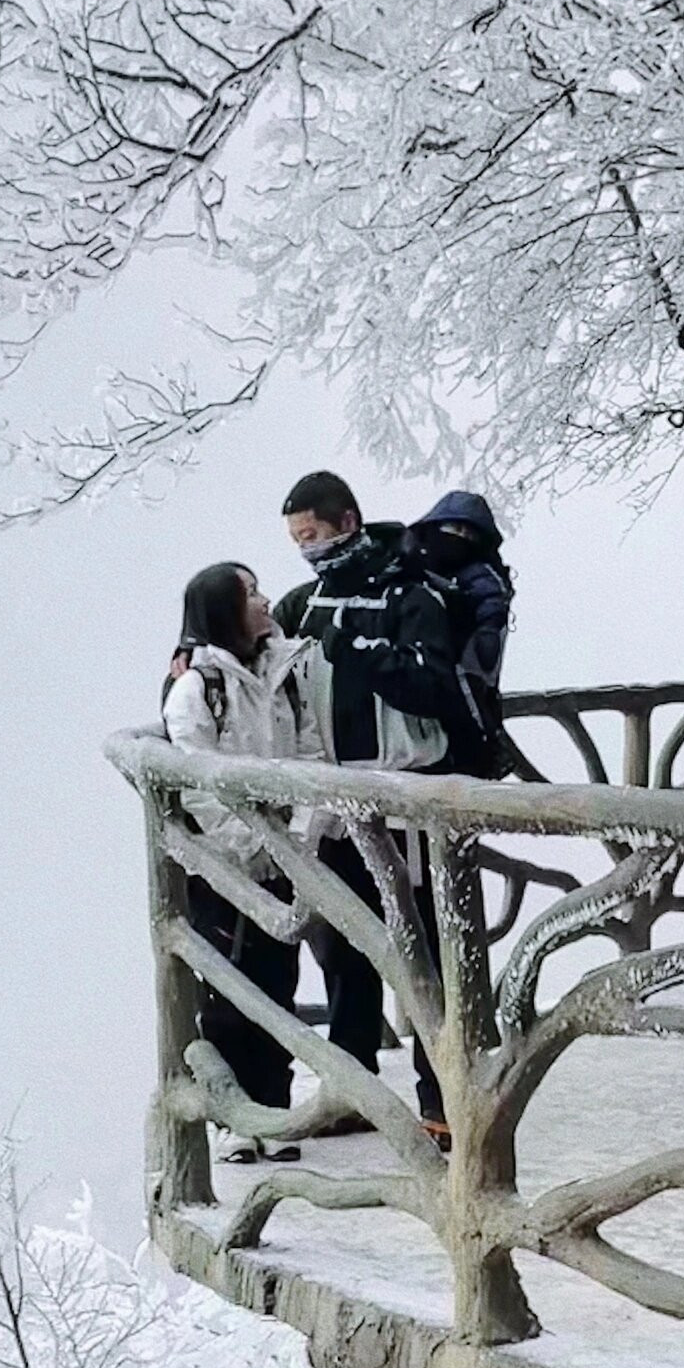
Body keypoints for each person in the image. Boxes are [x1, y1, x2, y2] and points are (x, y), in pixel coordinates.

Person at [270, 472, 463, 1149]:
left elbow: (435, 686)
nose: (307, 551)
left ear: (347, 522)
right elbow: (244, 655)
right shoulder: (304, 603)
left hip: (407, 804)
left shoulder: (411, 594)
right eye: (297, 541)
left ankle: (444, 1103)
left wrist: (357, 654)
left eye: (314, 536)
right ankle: (351, 1092)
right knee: (343, 950)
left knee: (426, 958)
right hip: (332, 806)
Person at [161, 563, 308, 1166]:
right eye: (250, 593)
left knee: (279, 985)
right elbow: (194, 778)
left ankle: (273, 1109)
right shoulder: (198, 687)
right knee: (227, 990)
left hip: (287, 858)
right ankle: (231, 1117)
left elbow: (310, 752)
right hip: (222, 868)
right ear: (223, 609)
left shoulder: (284, 671)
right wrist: (242, 846)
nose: (265, 599)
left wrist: (299, 836)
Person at [400, 492, 515, 779]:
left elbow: (483, 658)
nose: (460, 537)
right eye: (453, 529)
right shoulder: (407, 566)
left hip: (460, 688)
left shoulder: (485, 579)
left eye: (468, 533)